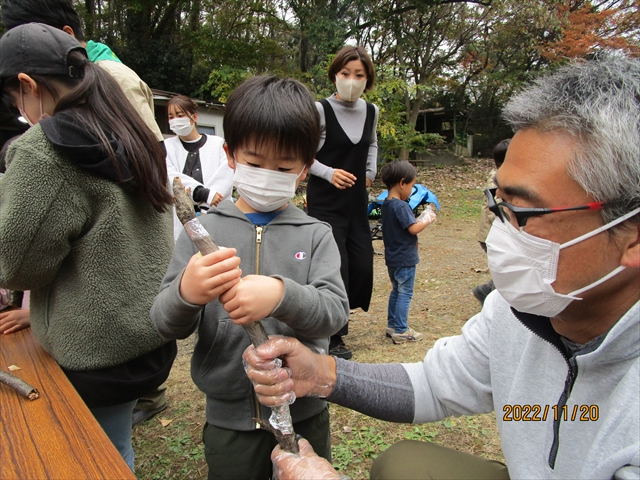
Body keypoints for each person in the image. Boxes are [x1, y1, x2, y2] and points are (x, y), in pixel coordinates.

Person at [243, 55, 640, 479]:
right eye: (496, 204)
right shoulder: (516, 314)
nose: (502, 235)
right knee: (405, 466)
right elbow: (435, 383)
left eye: (522, 212)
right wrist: (322, 374)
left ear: (631, 235)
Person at [150, 75, 349, 480]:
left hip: (305, 410)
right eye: (255, 163)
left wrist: (282, 295)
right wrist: (187, 293)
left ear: (305, 168)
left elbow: (334, 313)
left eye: (283, 167)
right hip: (230, 420)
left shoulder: (315, 234)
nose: (267, 174)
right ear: (230, 154)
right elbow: (162, 322)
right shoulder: (203, 232)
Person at [0, 24, 176, 470]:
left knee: (85, 460)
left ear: (27, 85)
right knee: (114, 450)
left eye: (14, 99)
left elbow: (15, 265)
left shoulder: (48, 148)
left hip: (92, 350)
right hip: (145, 335)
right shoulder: (129, 124)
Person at [1, 0, 164, 143]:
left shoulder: (113, 76)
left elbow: (153, 153)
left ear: (67, 35)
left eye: (33, 41)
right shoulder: (65, 82)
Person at [306, 45, 379, 360]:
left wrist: (370, 172)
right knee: (334, 267)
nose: (351, 80)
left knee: (361, 266)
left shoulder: (372, 111)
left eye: (359, 75)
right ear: (334, 75)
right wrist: (328, 172)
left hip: (355, 202)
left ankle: (335, 317)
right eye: (345, 73)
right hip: (325, 202)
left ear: (367, 79)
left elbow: (372, 142)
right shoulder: (319, 110)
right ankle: (333, 336)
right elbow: (302, 155)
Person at [380, 160, 436, 344]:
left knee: (396, 290)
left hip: (393, 258)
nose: (412, 191)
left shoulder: (386, 205)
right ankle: (402, 330)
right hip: (405, 258)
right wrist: (427, 220)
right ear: (402, 183)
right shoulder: (401, 206)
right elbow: (413, 228)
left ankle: (392, 325)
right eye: (412, 186)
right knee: (405, 292)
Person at [165, 94, 233, 241]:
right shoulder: (167, 147)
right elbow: (170, 176)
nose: (175, 120)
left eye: (180, 115)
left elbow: (227, 173)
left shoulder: (217, 144)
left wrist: (208, 203)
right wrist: (202, 193)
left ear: (194, 117)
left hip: (216, 214)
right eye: (171, 117)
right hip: (182, 220)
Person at [472, 138, 510, 304]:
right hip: (492, 236)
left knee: (506, 271)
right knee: (506, 272)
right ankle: (492, 299)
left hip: (496, 234)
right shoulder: (496, 180)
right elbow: (494, 209)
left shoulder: (504, 177)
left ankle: (486, 291)